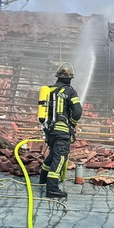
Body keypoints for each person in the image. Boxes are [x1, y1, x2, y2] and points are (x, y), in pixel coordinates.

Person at [38, 63, 83, 199]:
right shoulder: (70, 91)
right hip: (62, 131)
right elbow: (77, 111)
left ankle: (43, 180)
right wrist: (72, 124)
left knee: (53, 155)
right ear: (70, 78)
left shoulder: (49, 90)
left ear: (57, 76)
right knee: (60, 158)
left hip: (49, 130)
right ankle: (52, 188)